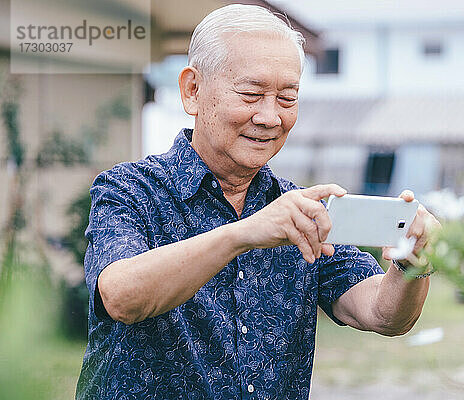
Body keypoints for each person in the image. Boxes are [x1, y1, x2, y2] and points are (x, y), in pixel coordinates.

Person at [76, 4, 439, 399]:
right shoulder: (129, 189)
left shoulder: (297, 208)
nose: (270, 117)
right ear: (192, 90)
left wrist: (412, 263)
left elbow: (381, 313)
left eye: (287, 98)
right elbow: (121, 297)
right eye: (251, 94)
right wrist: (244, 233)